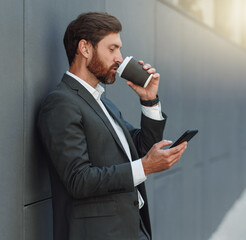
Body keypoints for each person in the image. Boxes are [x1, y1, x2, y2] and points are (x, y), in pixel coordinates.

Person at [37, 12, 187, 240]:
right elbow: (78, 179)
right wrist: (144, 168)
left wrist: (149, 100)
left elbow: (142, 148)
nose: (120, 58)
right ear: (85, 48)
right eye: (112, 49)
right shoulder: (61, 103)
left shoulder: (103, 102)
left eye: (119, 49)